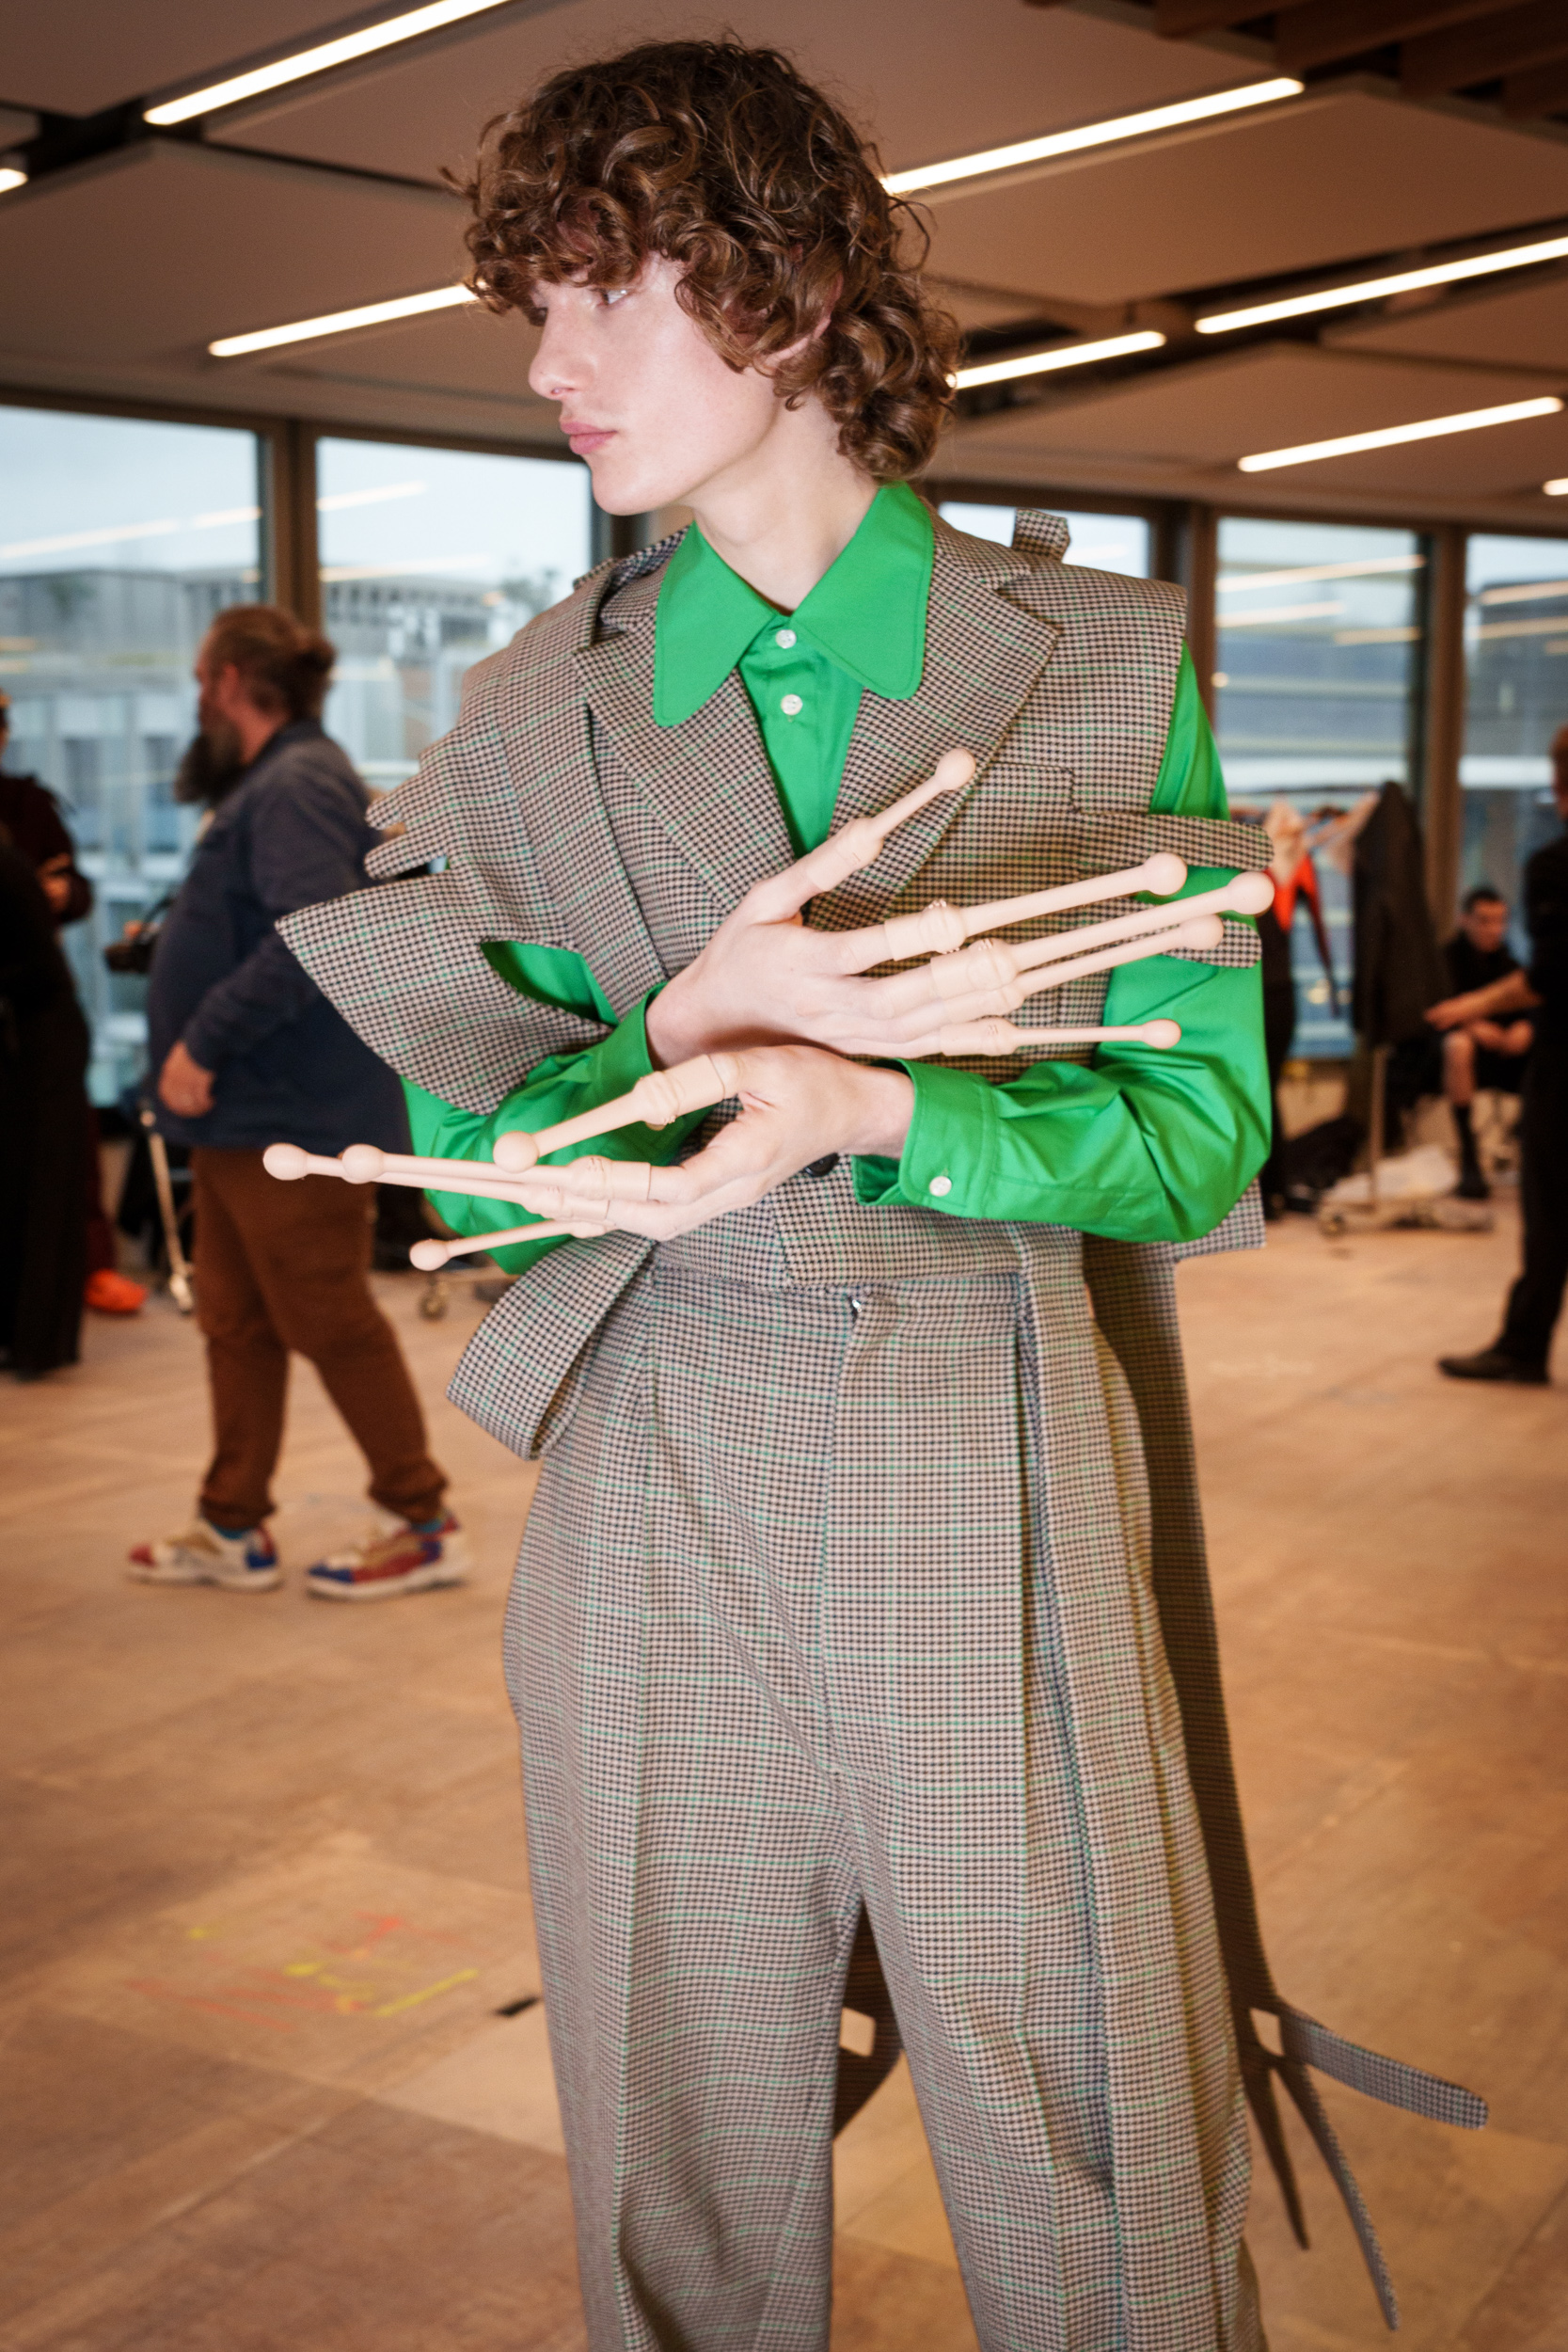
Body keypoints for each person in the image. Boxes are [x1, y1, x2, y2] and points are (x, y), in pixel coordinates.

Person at [279, 43, 1478, 2346]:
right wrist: (677, 1030)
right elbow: (502, 1180)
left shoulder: (1092, 664)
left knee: (1096, 2137)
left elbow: (1198, 1138)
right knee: (679, 2141)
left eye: (602, 294)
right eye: (530, 305)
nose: (546, 364)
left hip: (987, 1442)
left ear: (796, 290)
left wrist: (866, 1107)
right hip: (657, 1481)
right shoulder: (533, 719)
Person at [130, 605, 465, 1597]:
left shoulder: (294, 783)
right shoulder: (276, 782)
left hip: (292, 1116)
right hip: (245, 1117)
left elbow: (315, 934)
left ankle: (423, 1518)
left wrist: (201, 1037)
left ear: (230, 680)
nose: (199, 698)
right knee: (232, 1316)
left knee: (327, 1313)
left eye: (202, 679)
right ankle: (233, 1523)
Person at [0, 689, 146, 1315]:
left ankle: (84, 1266)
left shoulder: (27, 804)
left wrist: (54, 894)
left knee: (65, 1144)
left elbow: (78, 889)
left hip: (35, 997)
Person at [1434, 724, 1568, 1382]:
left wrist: (1472, 1007)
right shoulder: (1451, 953)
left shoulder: (1555, 865)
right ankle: (1468, 1164)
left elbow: (1548, 977)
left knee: (1549, 1211)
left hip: (1561, 1065)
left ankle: (1522, 1345)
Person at [1438, 884, 1531, 1199]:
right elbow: (1434, 1012)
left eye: (1501, 921)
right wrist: (1472, 1023)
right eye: (1485, 921)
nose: (1495, 929)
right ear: (1464, 919)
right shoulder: (1444, 962)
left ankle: (1529, 1137)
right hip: (1454, 1061)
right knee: (1458, 1045)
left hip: (1507, 1059)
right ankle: (1469, 1156)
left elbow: (1533, 1007)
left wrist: (1526, 1027)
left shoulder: (1511, 964)